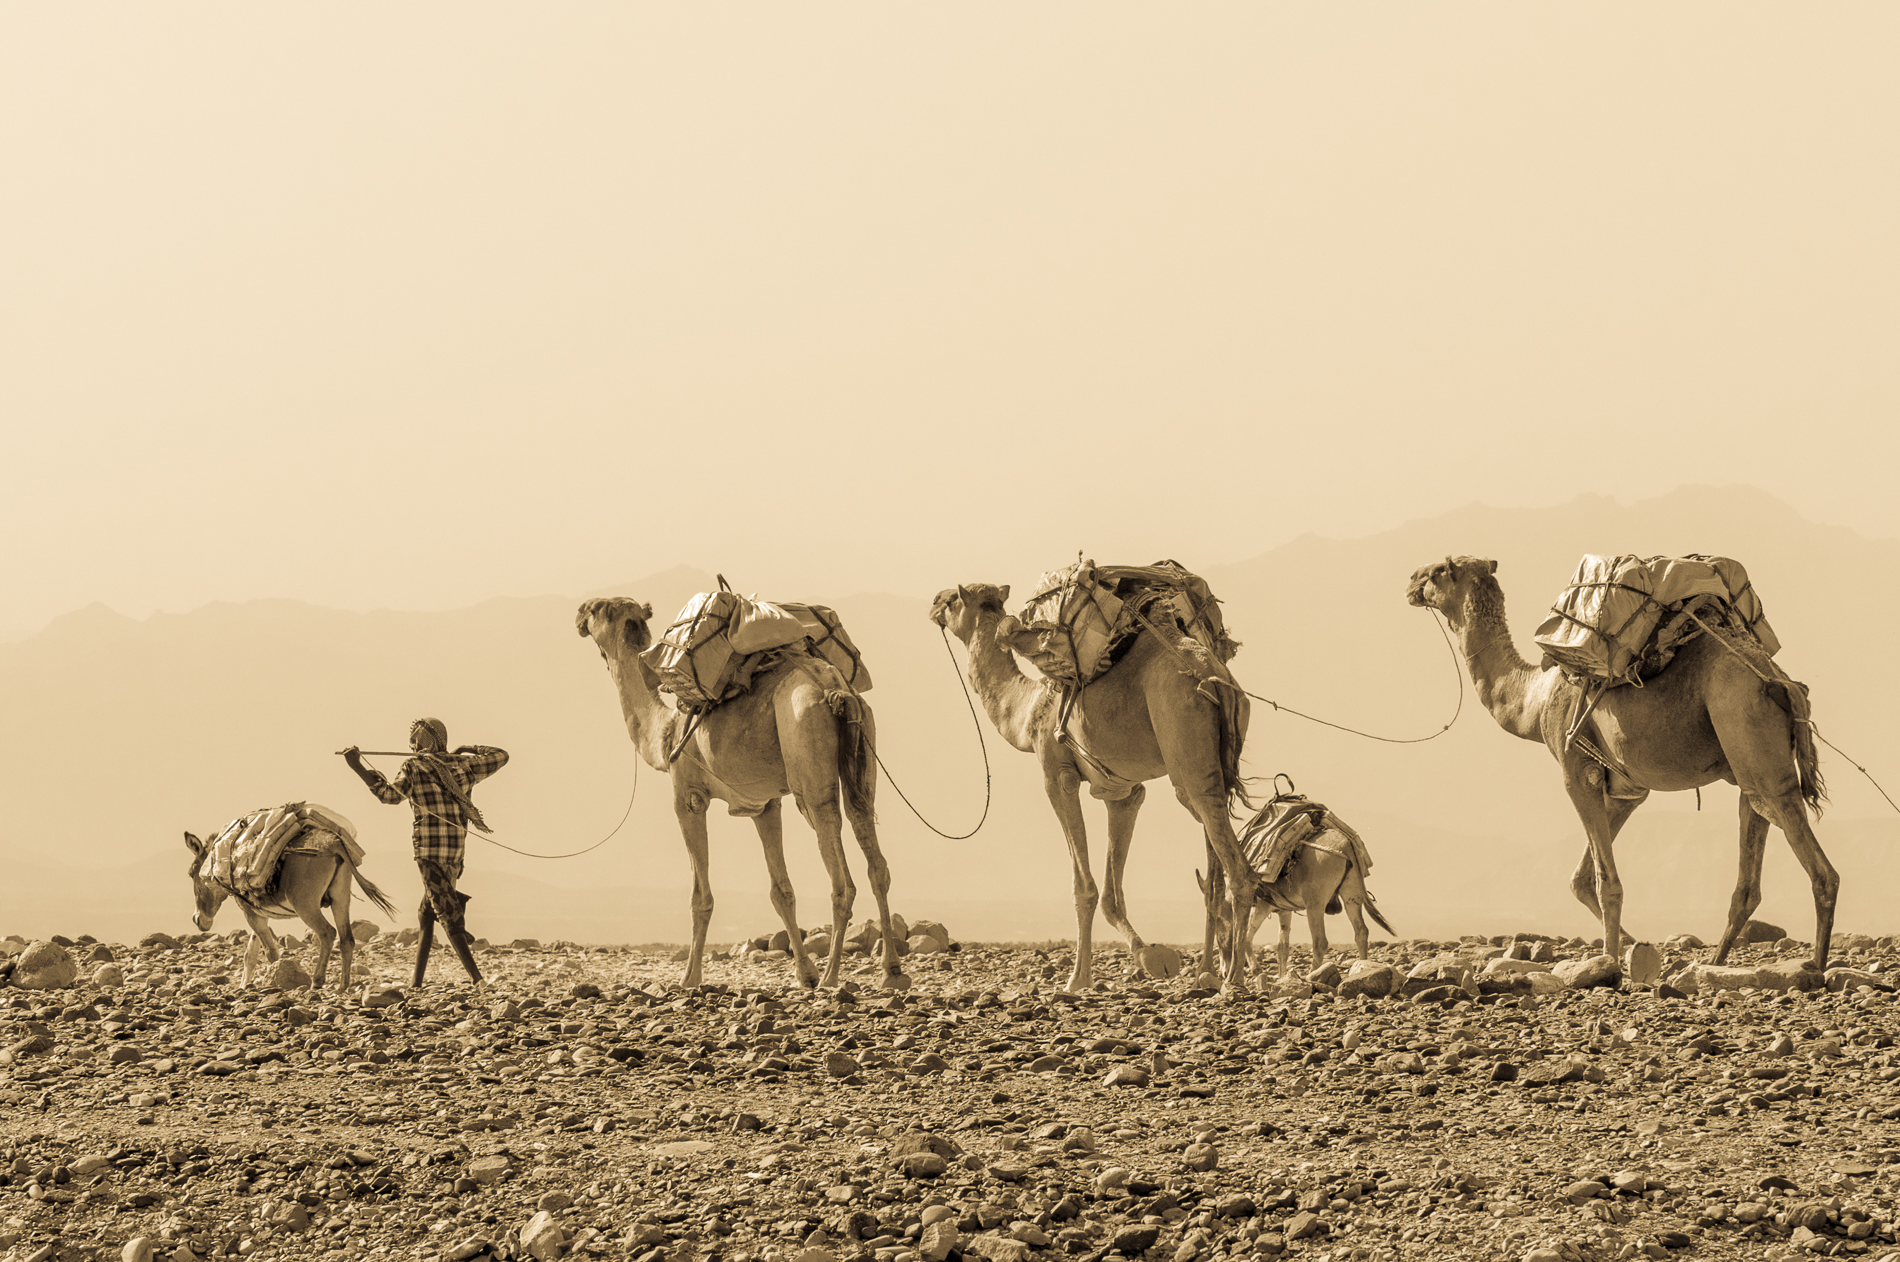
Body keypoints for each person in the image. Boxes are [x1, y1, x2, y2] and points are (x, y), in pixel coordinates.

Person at [342, 718, 507, 986]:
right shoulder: (466, 765)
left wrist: (357, 767)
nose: (412, 745)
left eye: (415, 740)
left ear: (421, 742)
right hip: (456, 852)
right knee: (426, 912)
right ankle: (416, 983)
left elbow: (389, 795)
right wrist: (466, 747)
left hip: (429, 851)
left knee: (445, 914)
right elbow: (501, 755)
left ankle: (478, 981)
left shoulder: (414, 766)